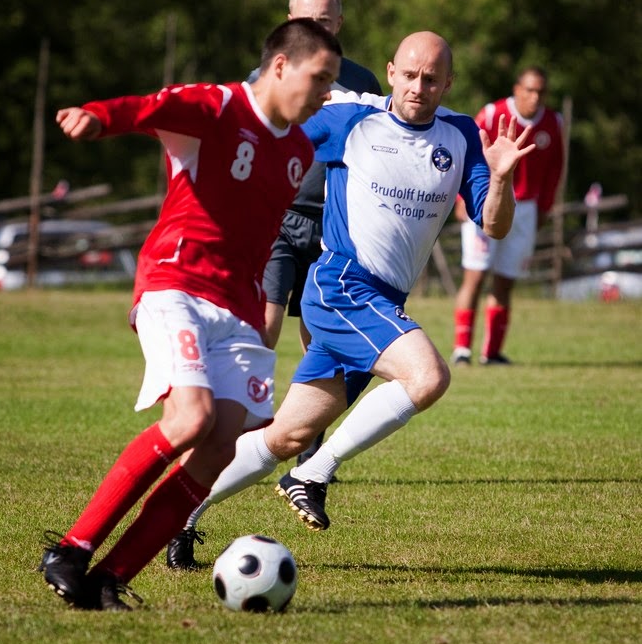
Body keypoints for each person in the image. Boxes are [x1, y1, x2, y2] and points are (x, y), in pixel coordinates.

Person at [150, 30, 535, 550]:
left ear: (448, 83)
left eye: (432, 79)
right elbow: (267, 131)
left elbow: (495, 226)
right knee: (428, 377)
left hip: (381, 305)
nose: (419, 87)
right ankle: (314, 474)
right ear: (391, 71)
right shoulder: (350, 119)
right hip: (342, 289)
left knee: (283, 437)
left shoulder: (464, 136)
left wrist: (504, 179)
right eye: (410, 74)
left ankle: (179, 513)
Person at [37, 18, 342, 611]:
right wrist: (98, 116)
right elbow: (148, 108)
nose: (325, 93)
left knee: (223, 443)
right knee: (191, 419)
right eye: (319, 78)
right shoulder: (219, 106)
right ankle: (72, 550)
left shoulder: (300, 149)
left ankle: (106, 580)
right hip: (176, 280)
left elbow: (256, 237)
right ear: (281, 66)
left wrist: (255, 312)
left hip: (236, 306)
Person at [165, 0, 382, 570]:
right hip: (278, 229)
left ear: (340, 23)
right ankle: (193, 494)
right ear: (289, 22)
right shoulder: (266, 79)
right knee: (254, 353)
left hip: (336, 235)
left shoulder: (364, 82)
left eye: (329, 21)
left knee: (336, 357)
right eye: (308, 19)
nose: (320, 28)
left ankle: (303, 451)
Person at [451, 66, 564, 365]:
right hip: (487, 202)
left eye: (540, 91)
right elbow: (467, 153)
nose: (535, 96)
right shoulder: (492, 114)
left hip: (526, 210)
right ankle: (462, 349)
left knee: (505, 281)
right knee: (474, 276)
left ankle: (492, 352)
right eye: (529, 89)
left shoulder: (554, 122)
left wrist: (545, 207)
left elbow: (555, 170)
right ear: (517, 89)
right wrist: (463, 198)